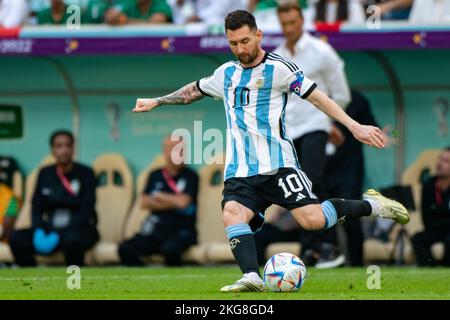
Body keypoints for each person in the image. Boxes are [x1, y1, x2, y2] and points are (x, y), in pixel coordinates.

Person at [132, 10, 409, 292]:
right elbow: (194, 90)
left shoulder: (279, 69)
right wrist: (157, 101)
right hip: (241, 171)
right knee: (232, 212)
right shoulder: (225, 74)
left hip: (279, 166)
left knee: (312, 220)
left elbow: (317, 97)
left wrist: (353, 126)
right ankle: (252, 276)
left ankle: (373, 205)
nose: (240, 49)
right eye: (233, 44)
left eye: (244, 41)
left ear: (258, 35)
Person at [274, 2, 351, 268]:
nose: (289, 28)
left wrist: (330, 122)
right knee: (300, 187)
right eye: (284, 24)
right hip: (289, 132)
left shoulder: (322, 51)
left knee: (310, 180)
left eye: (293, 22)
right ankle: (312, 248)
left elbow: (342, 94)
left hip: (316, 125)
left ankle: (326, 245)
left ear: (302, 21)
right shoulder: (277, 56)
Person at [9, 130, 99, 267]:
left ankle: (75, 282)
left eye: (68, 146)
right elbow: (36, 208)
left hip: (79, 228)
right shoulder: (45, 173)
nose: (64, 150)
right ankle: (31, 278)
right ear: (52, 150)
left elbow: (86, 210)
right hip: (50, 227)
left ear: (73, 148)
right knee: (16, 237)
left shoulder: (86, 173)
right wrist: (38, 230)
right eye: (59, 146)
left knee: (72, 240)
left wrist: (58, 235)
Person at [324, 89, 387, 266]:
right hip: (320, 171)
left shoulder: (357, 100)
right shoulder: (308, 97)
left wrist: (389, 135)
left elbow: (380, 130)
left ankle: (357, 263)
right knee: (319, 219)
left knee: (349, 219)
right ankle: (323, 259)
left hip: (348, 171)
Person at [118, 136, 199, 266]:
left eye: (182, 150)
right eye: (174, 149)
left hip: (181, 231)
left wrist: (159, 196)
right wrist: (174, 201)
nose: (179, 153)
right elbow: (144, 202)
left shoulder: (191, 175)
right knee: (125, 248)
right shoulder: (155, 175)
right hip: (156, 231)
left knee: (170, 250)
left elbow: (184, 203)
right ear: (165, 152)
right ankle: (144, 278)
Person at [412, 147, 450, 266]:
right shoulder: (429, 185)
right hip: (433, 229)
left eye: (446, 161)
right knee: (418, 239)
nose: (440, 164)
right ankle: (429, 270)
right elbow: (426, 219)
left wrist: (437, 211)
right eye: (440, 159)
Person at [105, 0, 172, 25]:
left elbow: (156, 23)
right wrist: (114, 17)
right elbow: (110, 16)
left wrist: (123, 20)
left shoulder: (159, 2)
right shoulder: (127, 2)